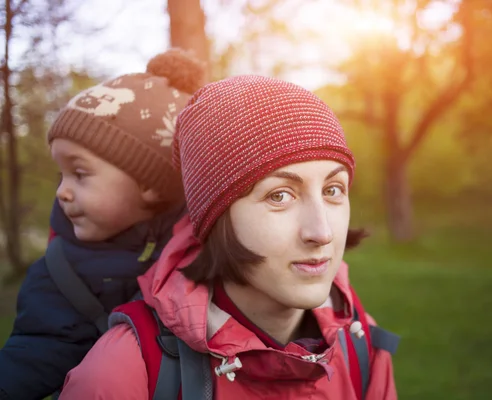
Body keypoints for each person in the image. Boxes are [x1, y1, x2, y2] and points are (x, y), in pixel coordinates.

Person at [59, 75, 398, 399]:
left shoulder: (360, 340)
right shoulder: (121, 375)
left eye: (333, 189)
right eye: (279, 195)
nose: (321, 232)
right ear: (215, 217)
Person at [0, 49, 205, 400]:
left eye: (80, 174)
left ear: (150, 183)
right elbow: (35, 351)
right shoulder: (60, 271)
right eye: (61, 174)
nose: (62, 192)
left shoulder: (203, 248)